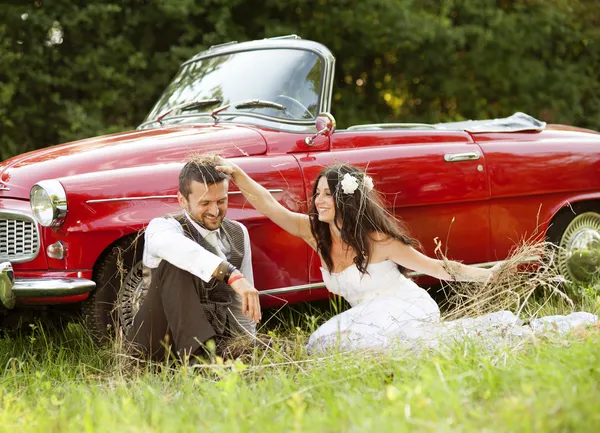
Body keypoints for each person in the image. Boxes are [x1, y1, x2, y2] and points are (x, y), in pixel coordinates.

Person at [215, 159, 598, 353]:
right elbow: (267, 204)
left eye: (327, 194)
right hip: (367, 312)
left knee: (347, 342)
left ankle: (541, 331)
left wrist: (491, 274)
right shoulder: (314, 232)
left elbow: (438, 268)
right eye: (317, 194)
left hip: (403, 305)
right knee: (324, 343)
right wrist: (235, 173)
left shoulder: (377, 239)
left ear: (346, 198)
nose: (318, 200)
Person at [126, 154, 261, 362]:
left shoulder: (238, 233)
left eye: (222, 201)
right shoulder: (162, 227)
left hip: (215, 340)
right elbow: (180, 249)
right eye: (205, 203)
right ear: (182, 200)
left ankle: (211, 359)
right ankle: (199, 364)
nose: (215, 211)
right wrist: (231, 274)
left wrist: (248, 347)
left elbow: (240, 306)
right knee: (174, 264)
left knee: (264, 348)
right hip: (159, 343)